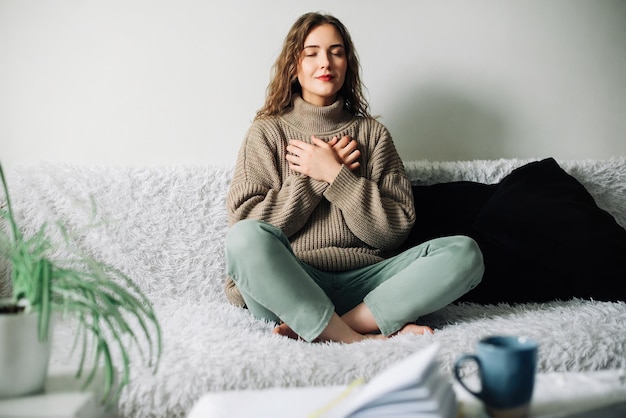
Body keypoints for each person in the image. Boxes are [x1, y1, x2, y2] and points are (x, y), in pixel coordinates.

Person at [224, 12, 484, 343]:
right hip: (292, 286)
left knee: (465, 253)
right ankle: (358, 339)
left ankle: (337, 327)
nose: (326, 62)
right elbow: (247, 222)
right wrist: (313, 179)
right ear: (293, 65)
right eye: (312, 52)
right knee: (242, 238)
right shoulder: (267, 132)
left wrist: (337, 175)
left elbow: (391, 233)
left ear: (348, 63)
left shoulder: (373, 135)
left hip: (370, 286)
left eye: (336, 51)